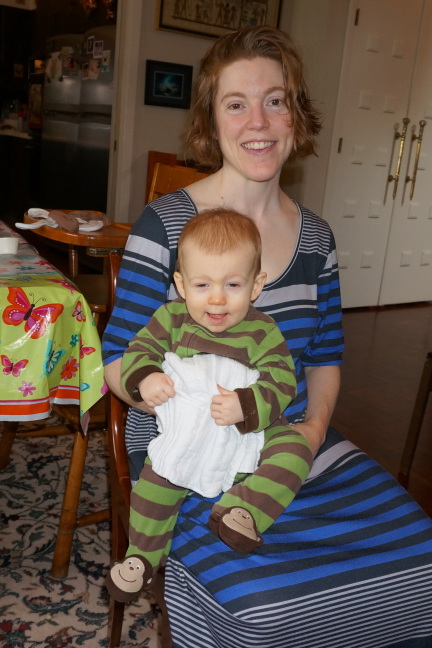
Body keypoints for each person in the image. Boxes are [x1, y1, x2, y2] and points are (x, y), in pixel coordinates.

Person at [103, 25, 432, 648]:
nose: (258, 120)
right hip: (187, 453)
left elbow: (326, 359)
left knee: (420, 562)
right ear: (212, 120)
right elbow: (117, 359)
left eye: (275, 100)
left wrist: (310, 432)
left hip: (288, 443)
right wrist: (169, 395)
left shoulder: (317, 239)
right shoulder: (165, 224)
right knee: (265, 609)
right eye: (236, 103)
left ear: (295, 114)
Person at [105, 209, 313, 603]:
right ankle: (141, 558)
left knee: (297, 449)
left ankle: (242, 511)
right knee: (156, 479)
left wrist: (247, 404)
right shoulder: (171, 319)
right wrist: (146, 377)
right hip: (188, 431)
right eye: (203, 284)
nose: (217, 298)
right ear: (181, 285)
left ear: (256, 285)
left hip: (248, 432)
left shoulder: (263, 330)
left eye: (233, 284)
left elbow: (282, 379)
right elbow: (138, 351)